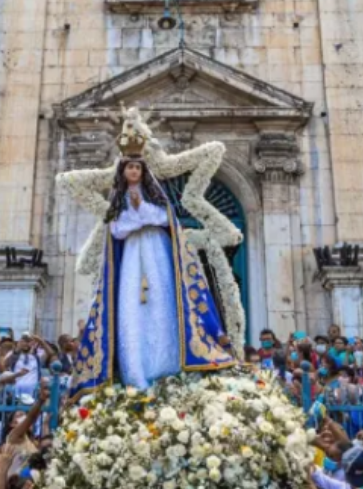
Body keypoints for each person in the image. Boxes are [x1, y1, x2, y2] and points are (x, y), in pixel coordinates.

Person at [59, 108, 234, 396]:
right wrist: (134, 215)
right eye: (129, 167)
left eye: (138, 168)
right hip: (130, 256)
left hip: (156, 250)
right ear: (122, 170)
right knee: (130, 308)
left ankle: (169, 368)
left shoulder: (154, 195)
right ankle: (135, 374)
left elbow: (166, 219)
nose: (133, 171)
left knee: (164, 301)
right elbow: (116, 230)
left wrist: (141, 210)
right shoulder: (118, 199)